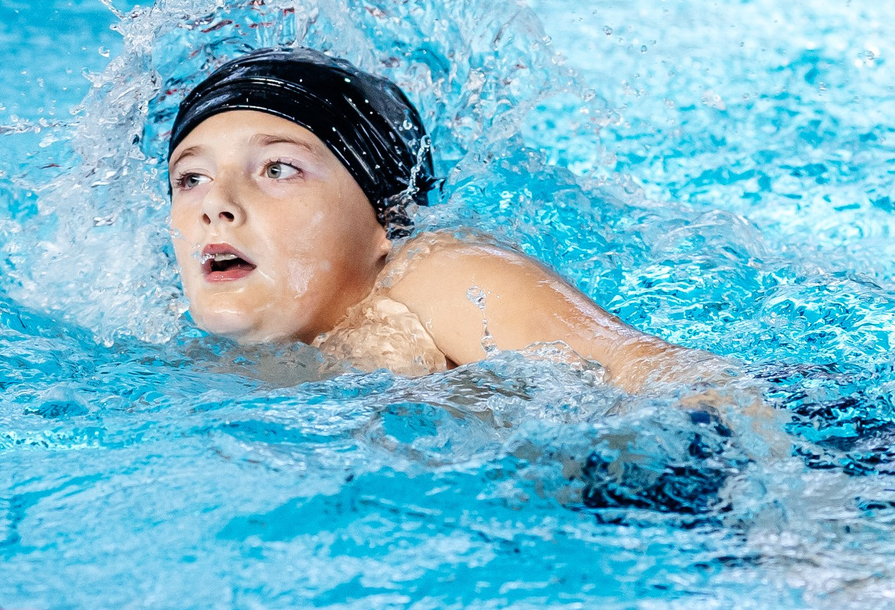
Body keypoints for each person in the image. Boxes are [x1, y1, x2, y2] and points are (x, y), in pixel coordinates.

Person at [165, 46, 711, 392]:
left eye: (278, 169)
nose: (217, 204)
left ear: (387, 218)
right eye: (191, 179)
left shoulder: (446, 277)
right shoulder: (195, 352)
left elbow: (669, 377)